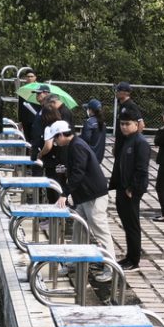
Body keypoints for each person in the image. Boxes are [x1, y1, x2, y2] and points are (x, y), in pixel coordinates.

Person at [47, 120, 116, 283]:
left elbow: (79, 172)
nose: (55, 142)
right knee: (79, 227)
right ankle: (74, 259)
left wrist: (65, 194)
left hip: (94, 195)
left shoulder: (77, 145)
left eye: (55, 139)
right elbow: (77, 169)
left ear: (61, 135)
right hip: (85, 195)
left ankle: (111, 267)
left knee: (100, 230)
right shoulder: (74, 144)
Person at [109, 113, 150, 272]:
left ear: (136, 124)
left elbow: (142, 169)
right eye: (122, 124)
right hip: (122, 187)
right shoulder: (127, 140)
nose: (124, 127)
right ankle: (129, 256)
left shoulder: (140, 142)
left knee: (132, 226)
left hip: (131, 190)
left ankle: (134, 260)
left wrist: (132, 189)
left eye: (127, 124)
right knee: (127, 224)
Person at [80, 99, 107, 163]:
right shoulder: (103, 122)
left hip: (89, 156)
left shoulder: (89, 122)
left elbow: (85, 139)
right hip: (99, 156)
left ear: (91, 110)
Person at [17, 67, 39, 135]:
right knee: (27, 137)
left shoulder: (39, 89)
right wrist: (20, 121)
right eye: (28, 76)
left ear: (35, 77)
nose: (30, 78)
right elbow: (20, 106)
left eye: (31, 76)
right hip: (25, 119)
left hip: (36, 118)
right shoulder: (23, 89)